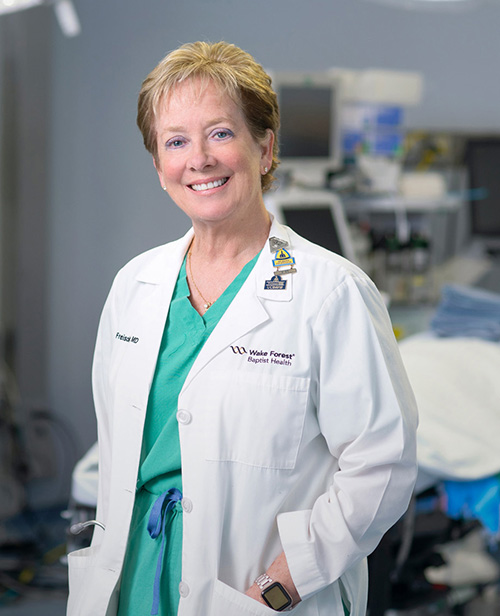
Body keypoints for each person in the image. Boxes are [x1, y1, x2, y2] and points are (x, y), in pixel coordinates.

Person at [66, 41, 418, 616]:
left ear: (265, 147)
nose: (198, 159)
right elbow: (118, 447)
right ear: (159, 165)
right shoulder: (135, 286)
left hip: (259, 593)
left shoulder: (332, 293)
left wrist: (279, 588)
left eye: (221, 133)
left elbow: (382, 465)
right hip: (133, 578)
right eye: (176, 141)